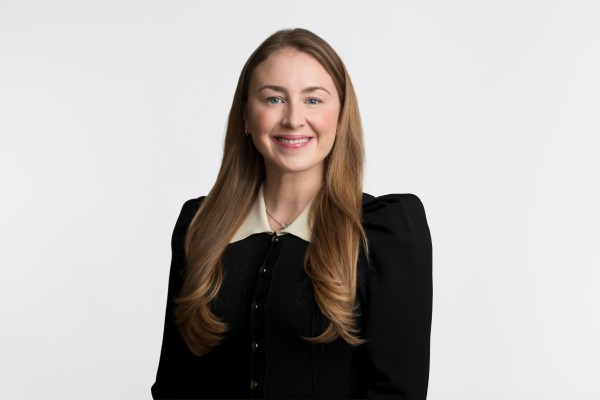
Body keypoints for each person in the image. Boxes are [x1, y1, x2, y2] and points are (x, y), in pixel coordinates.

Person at [151, 28, 432, 399]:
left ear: (341, 115)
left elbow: (398, 393)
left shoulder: (385, 231)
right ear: (246, 116)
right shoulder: (200, 225)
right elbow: (174, 386)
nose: (294, 119)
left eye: (313, 100)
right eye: (274, 99)